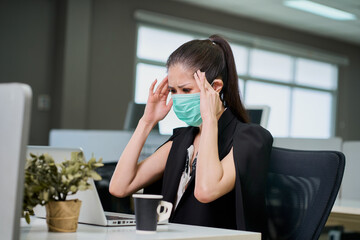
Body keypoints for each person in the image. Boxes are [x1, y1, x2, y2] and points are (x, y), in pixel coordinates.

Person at [109, 34, 273, 239]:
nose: (178, 99)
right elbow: (119, 187)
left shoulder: (252, 138)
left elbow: (206, 191)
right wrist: (147, 122)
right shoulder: (182, 138)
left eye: (186, 90)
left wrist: (209, 120)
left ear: (215, 88)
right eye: (173, 91)